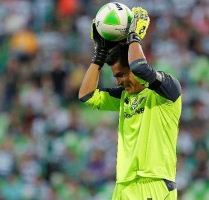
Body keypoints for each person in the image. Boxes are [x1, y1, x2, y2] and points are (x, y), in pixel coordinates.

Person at [78, 7, 182, 200]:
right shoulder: (124, 97)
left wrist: (134, 36)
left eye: (121, 75)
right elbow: (87, 95)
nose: (118, 82)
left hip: (153, 183)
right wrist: (99, 56)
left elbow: (140, 67)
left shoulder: (167, 91)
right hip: (123, 185)